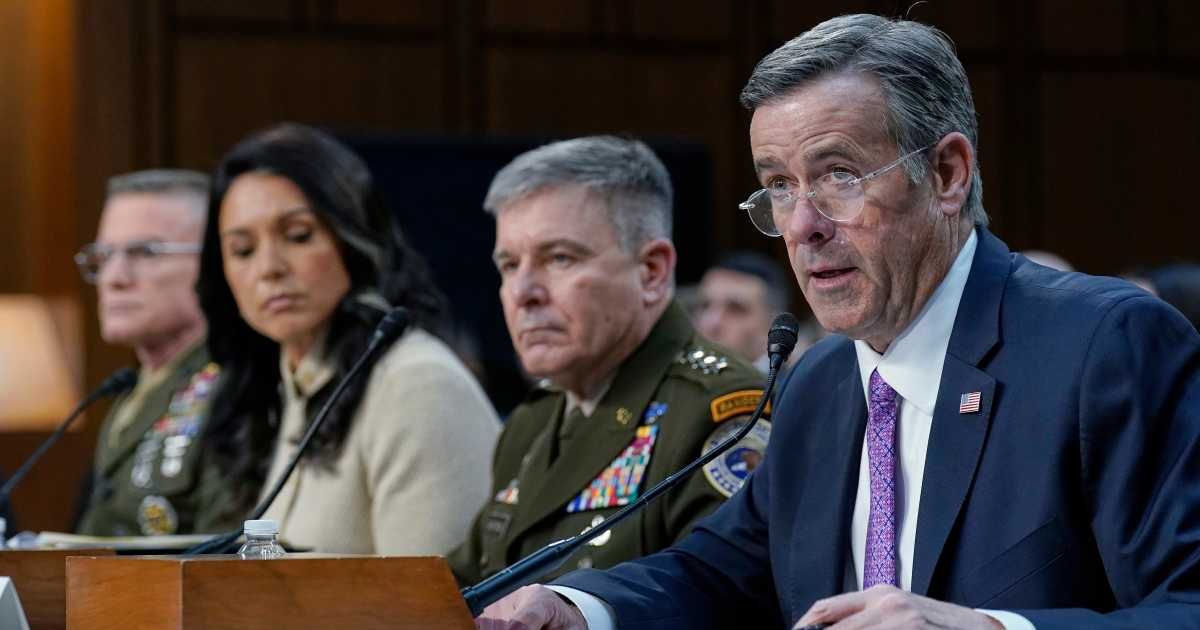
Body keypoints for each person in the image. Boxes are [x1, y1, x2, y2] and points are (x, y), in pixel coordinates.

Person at [477, 14, 1200, 630]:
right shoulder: (819, 381)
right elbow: (724, 571)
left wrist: (986, 628)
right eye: (779, 187)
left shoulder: (1103, 347)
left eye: (837, 175)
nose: (802, 225)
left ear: (946, 174)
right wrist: (576, 607)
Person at [447, 136, 769, 585]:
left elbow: (720, 597)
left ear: (652, 272)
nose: (523, 293)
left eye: (559, 258)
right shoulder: (533, 422)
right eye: (508, 265)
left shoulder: (726, 411)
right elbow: (466, 588)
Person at [195, 123, 499, 554]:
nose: (268, 268)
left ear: (355, 239)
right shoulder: (281, 388)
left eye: (298, 236)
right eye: (242, 249)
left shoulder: (418, 386)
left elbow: (431, 607)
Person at [75, 169, 232, 536]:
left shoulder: (236, 386)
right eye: (104, 255)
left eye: (145, 252)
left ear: (213, 262)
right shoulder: (127, 392)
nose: (115, 278)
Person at [695, 250, 820, 371]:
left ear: (775, 325)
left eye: (735, 309)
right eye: (705, 306)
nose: (711, 323)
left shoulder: (797, 384)